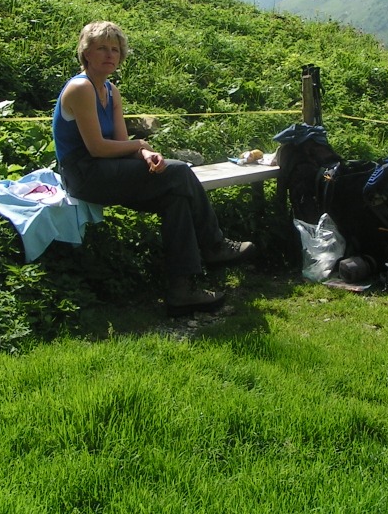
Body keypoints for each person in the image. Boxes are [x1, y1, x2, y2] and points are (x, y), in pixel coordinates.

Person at [52, 21, 255, 316]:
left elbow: (120, 144)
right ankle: (214, 244)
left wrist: (145, 154)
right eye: (102, 49)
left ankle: (181, 291)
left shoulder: (111, 91)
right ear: (86, 53)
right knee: (180, 172)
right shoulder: (81, 87)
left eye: (115, 49)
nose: (110, 55)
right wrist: (139, 146)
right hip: (84, 174)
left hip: (109, 170)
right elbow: (97, 148)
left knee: (175, 199)